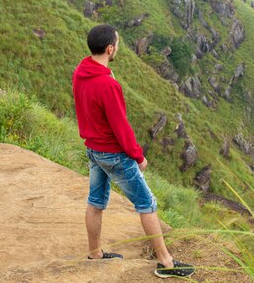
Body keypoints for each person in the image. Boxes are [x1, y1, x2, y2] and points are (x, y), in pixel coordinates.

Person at [72, 24, 195, 279]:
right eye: (116, 43)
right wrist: (138, 156)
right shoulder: (108, 85)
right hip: (114, 154)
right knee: (147, 204)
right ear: (110, 48)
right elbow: (121, 127)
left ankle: (94, 252)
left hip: (93, 149)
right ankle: (166, 263)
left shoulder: (82, 72)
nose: (117, 47)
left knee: (95, 202)